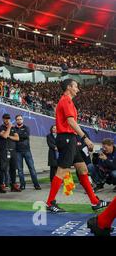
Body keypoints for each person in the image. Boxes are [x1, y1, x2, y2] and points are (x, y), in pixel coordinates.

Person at [45, 79, 108, 213]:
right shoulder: (66, 100)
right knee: (62, 171)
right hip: (67, 138)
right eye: (76, 87)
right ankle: (50, 203)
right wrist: (85, 138)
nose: (78, 89)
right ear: (69, 87)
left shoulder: (67, 101)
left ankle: (95, 202)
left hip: (70, 139)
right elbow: (71, 121)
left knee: (83, 169)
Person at [14, 115, 41, 190]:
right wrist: (18, 136)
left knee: (32, 168)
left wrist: (17, 136)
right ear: (16, 120)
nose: (19, 120)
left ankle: (36, 184)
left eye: (20, 119)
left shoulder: (26, 128)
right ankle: (22, 185)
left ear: (22, 120)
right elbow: (14, 137)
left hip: (26, 151)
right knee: (20, 170)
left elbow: (25, 135)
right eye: (17, 119)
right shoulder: (13, 129)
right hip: (17, 151)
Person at [0, 113, 21, 193]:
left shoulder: (14, 128)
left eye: (8, 118)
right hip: (4, 150)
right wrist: (9, 128)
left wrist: (9, 136)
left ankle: (13, 185)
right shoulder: (0, 127)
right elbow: (4, 136)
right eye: (5, 118)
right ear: (3, 119)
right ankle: (2, 185)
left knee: (13, 168)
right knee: (3, 168)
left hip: (13, 150)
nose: (7, 120)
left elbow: (17, 138)